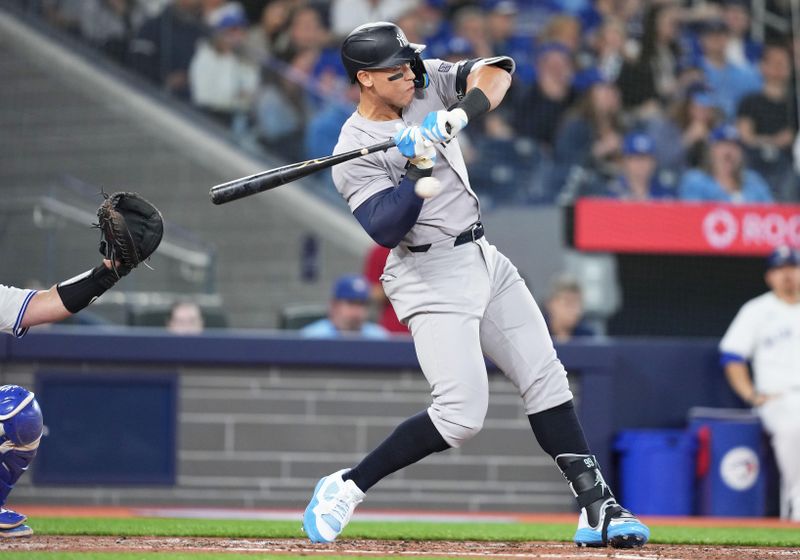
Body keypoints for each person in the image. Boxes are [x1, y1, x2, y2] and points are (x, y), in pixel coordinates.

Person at [301, 21, 649, 549]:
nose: (411, 73)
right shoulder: (354, 150)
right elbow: (386, 228)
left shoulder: (424, 83)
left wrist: (456, 116)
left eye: (410, 63)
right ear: (366, 80)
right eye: (397, 70)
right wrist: (416, 170)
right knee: (461, 416)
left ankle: (596, 504)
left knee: (546, 377)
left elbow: (497, 72)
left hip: (483, 255)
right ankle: (346, 487)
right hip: (427, 272)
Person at [719, 246, 800, 521]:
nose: (787, 274)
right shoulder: (757, 309)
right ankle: (797, 502)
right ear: (770, 276)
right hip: (778, 398)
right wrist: (750, 394)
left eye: (792, 267)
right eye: (780, 269)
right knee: (793, 427)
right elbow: (732, 355)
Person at [736, 44, 798, 202]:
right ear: (763, 66)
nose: (780, 68)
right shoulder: (750, 101)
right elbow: (746, 137)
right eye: (775, 63)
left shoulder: (795, 104)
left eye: (784, 64)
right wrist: (774, 141)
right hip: (755, 163)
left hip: (789, 167)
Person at [679, 123, 773, 203]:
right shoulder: (696, 180)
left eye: (734, 146)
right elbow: (691, 216)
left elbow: (771, 214)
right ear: (711, 151)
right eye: (722, 145)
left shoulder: (754, 181)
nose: (728, 151)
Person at [301, 275, 388, 339]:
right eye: (351, 303)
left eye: (362, 304)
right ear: (334, 306)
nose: (357, 311)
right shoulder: (313, 336)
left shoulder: (379, 337)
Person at [604, 132, 675, 200]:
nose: (641, 164)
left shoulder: (666, 194)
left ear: (654, 162)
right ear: (624, 161)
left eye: (646, 158)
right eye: (636, 159)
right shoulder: (612, 193)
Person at [544, 275, 596, 342]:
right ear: (550, 303)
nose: (574, 309)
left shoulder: (588, 337)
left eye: (577, 303)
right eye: (568, 302)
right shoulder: (539, 333)